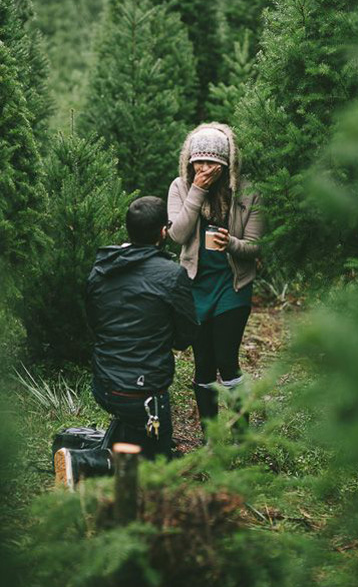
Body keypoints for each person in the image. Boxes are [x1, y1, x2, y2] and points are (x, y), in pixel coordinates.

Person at [167, 122, 263, 437]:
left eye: (213, 163)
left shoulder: (248, 191)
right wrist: (198, 189)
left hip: (233, 285)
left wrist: (231, 244)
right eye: (200, 162)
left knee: (226, 358)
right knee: (203, 363)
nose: (205, 168)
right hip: (196, 285)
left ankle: (240, 433)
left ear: (226, 164)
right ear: (190, 161)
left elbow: (256, 245)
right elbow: (177, 235)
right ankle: (210, 435)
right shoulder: (180, 187)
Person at [87, 196, 199, 460]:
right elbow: (185, 337)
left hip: (103, 385)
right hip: (144, 394)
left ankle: (117, 447)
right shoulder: (172, 275)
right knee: (159, 464)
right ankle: (86, 461)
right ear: (163, 231)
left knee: (134, 433)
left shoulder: (101, 268)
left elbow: (94, 324)